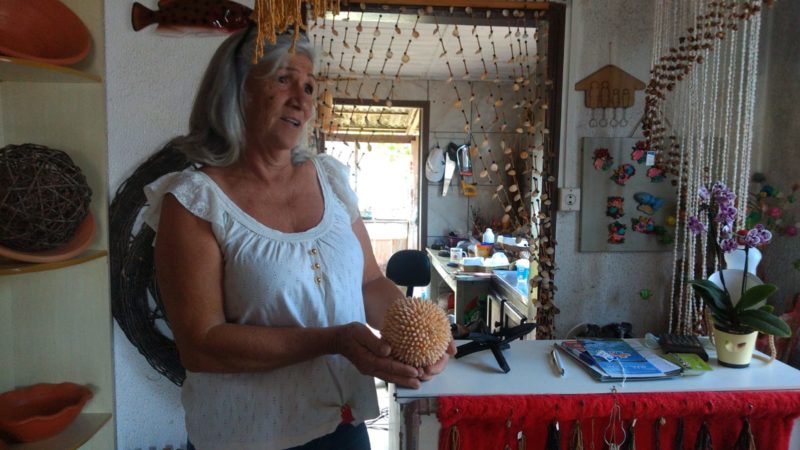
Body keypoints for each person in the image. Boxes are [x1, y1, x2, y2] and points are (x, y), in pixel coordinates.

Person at [142, 24, 455, 450]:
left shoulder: (330, 177)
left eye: (309, 86)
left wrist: (424, 335)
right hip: (248, 435)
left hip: (343, 427)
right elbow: (202, 345)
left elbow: (368, 282)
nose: (301, 99)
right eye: (284, 78)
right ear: (237, 90)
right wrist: (335, 340)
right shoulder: (194, 202)